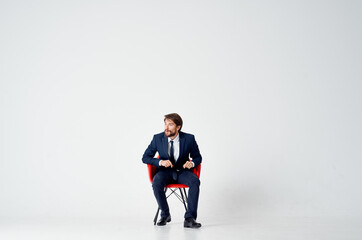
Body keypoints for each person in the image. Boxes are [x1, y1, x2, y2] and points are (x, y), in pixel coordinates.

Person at [142, 113, 202, 228]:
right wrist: (160, 162)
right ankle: (165, 214)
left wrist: (192, 163)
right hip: (165, 172)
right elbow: (145, 158)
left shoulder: (189, 138)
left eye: (170, 125)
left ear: (178, 127)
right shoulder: (157, 138)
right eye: (165, 124)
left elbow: (198, 157)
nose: (166, 127)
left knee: (195, 182)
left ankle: (189, 218)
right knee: (156, 183)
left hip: (183, 171)